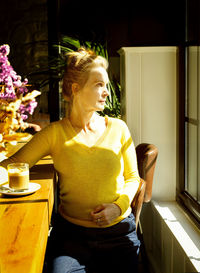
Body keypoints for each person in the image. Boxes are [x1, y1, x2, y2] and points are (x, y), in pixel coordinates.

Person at [0, 48, 141, 273]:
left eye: (106, 85)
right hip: (72, 239)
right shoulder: (54, 133)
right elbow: (14, 164)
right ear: (76, 89)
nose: (106, 92)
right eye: (98, 85)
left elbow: (133, 178)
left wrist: (118, 207)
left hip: (118, 234)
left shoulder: (119, 128)